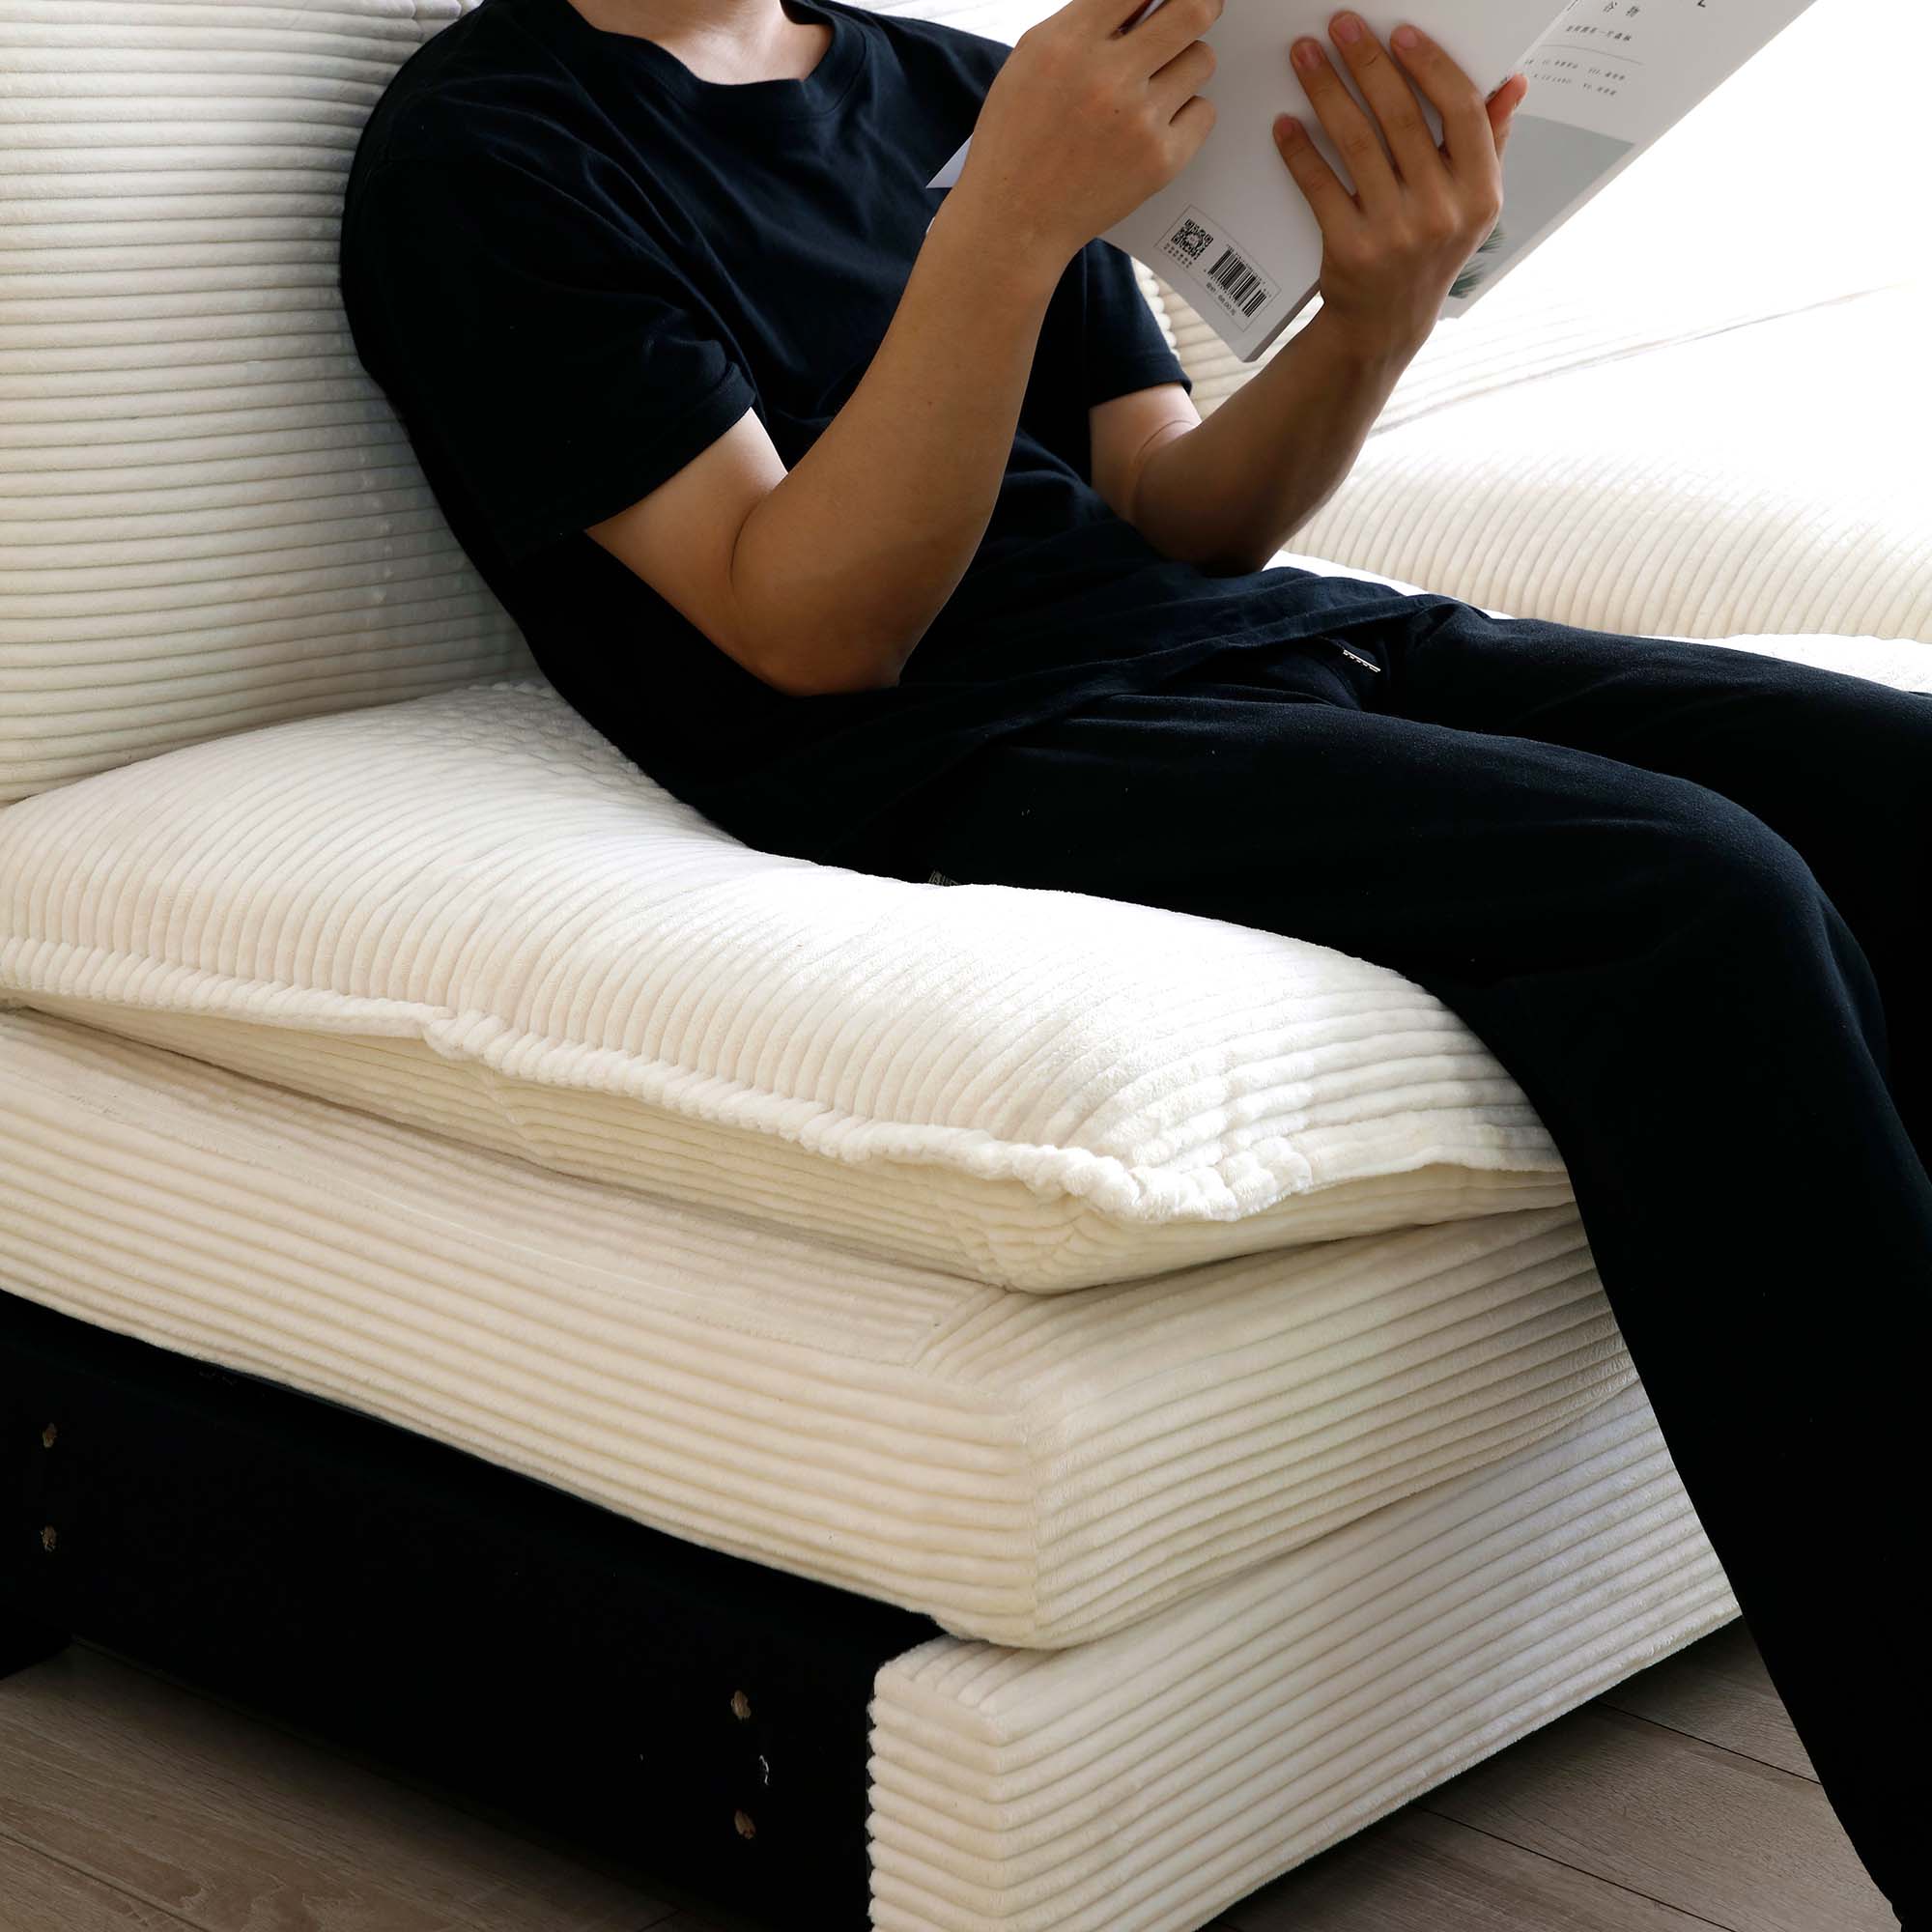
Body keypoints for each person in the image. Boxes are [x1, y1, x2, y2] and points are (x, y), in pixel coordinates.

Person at [336, 2, 1930, 1921]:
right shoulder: (490, 153)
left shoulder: (947, 79)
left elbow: (1183, 513)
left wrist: (1373, 313)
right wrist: (1006, 227)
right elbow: (807, 626)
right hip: (966, 741)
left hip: (1249, 642)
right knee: (1693, 897)